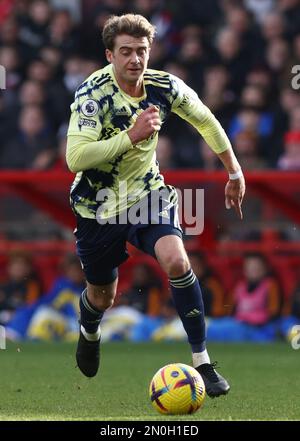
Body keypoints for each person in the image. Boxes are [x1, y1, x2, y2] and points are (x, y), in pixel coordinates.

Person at [66, 14, 245, 398]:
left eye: (142, 51)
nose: (135, 59)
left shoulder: (165, 87)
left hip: (149, 195)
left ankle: (202, 361)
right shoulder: (92, 95)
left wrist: (234, 171)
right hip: (99, 205)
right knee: (103, 296)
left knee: (178, 262)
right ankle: (90, 328)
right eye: (126, 52)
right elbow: (76, 157)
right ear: (109, 55)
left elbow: (206, 121)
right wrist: (132, 136)